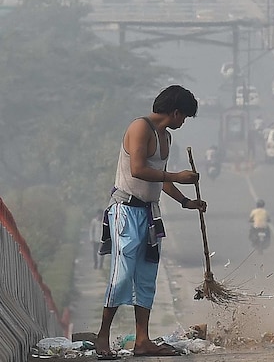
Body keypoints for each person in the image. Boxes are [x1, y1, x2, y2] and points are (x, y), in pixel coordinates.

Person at [94, 85, 204, 360]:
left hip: (149, 213)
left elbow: (161, 177)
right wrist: (178, 176)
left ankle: (142, 340)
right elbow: (139, 169)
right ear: (176, 112)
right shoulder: (140, 128)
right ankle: (102, 336)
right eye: (185, 117)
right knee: (122, 275)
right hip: (125, 211)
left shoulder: (165, 137)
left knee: (146, 277)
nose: (183, 122)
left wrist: (186, 201)